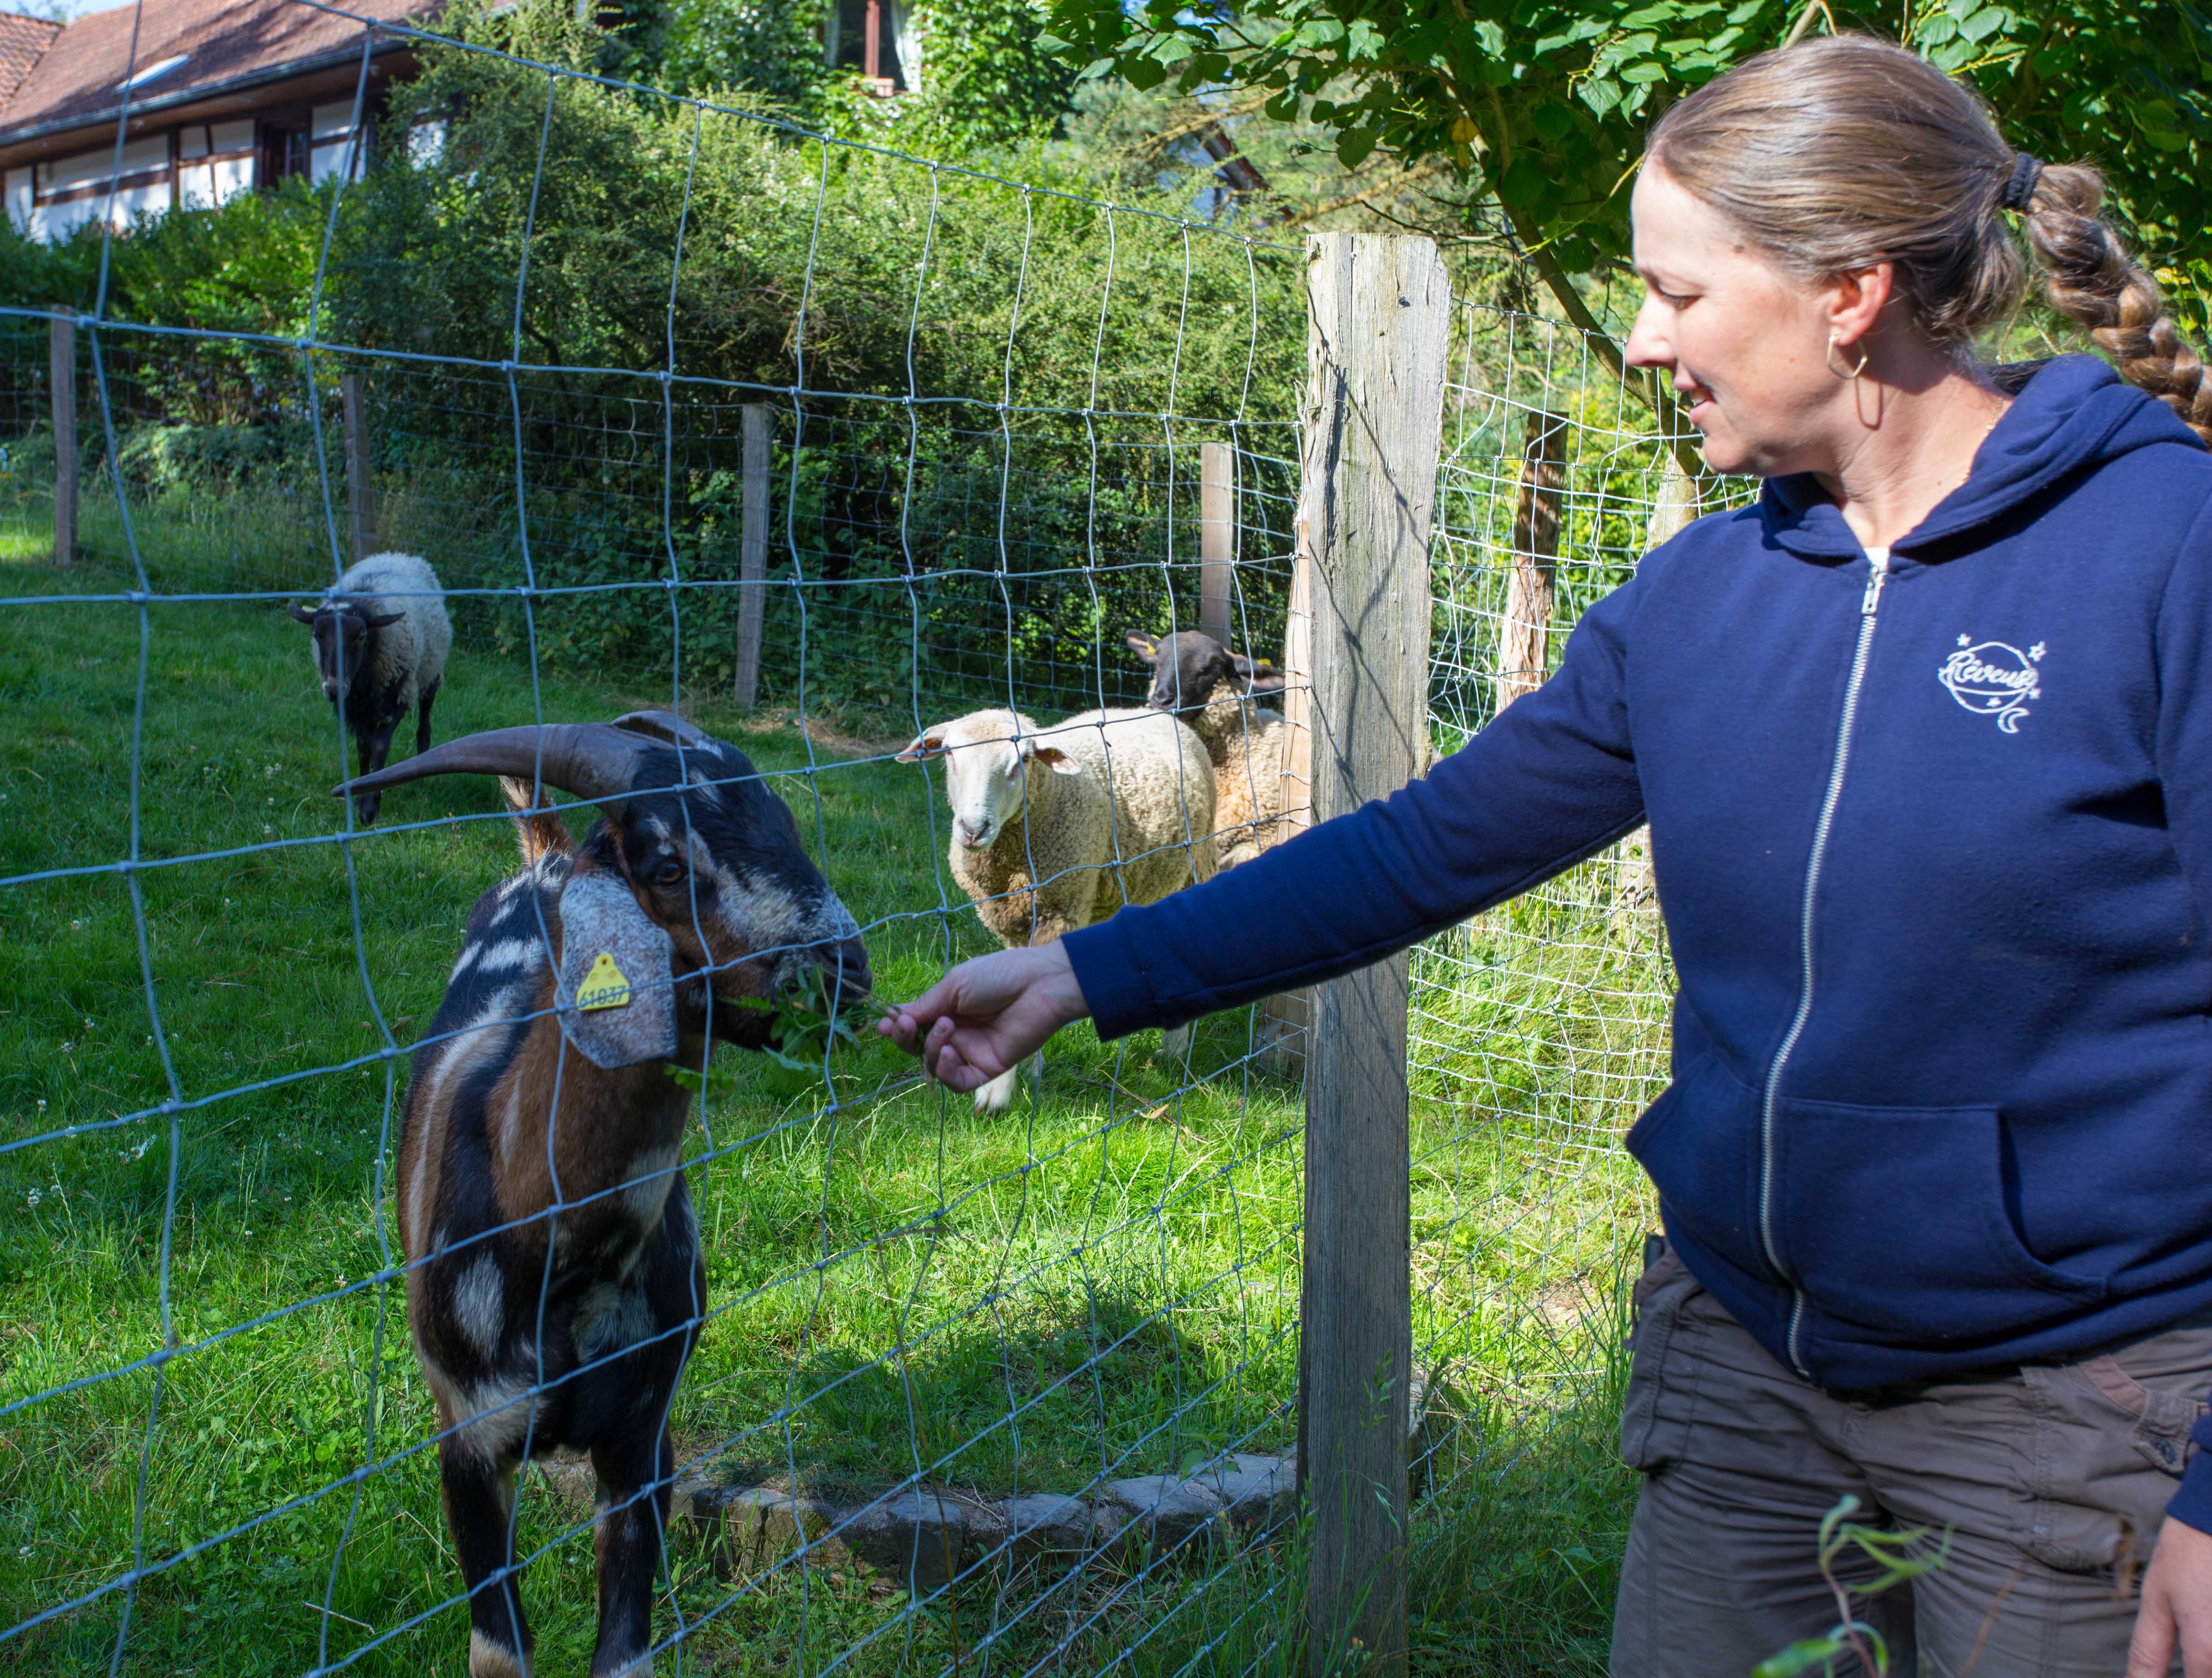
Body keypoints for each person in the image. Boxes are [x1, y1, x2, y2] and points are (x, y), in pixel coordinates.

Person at [875, 34, 2212, 1678]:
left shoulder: (2169, 556)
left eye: (1677, 292)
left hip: (2076, 1416)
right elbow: (1421, 853)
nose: (1645, 341)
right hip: (1745, 1384)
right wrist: (1084, 970)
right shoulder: (1698, 606)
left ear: (1849, 294)